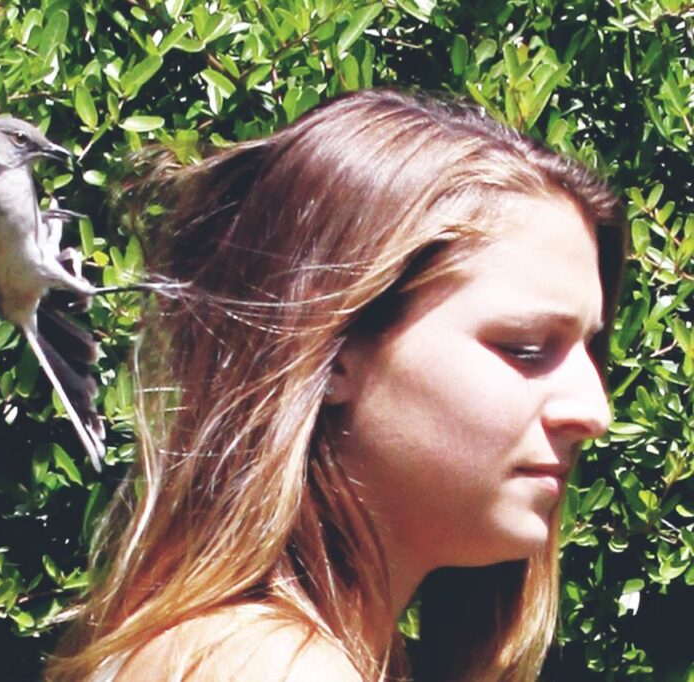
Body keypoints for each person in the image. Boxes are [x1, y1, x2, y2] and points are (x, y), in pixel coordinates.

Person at [47, 88, 627, 681]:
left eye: (589, 350)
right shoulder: (269, 668)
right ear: (331, 349)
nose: (593, 411)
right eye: (525, 348)